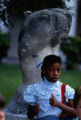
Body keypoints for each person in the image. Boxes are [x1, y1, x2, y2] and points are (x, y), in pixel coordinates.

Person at [24, 54, 77, 120]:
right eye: (51, 70)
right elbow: (30, 116)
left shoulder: (66, 89)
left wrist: (59, 104)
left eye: (58, 70)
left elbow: (76, 113)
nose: (56, 73)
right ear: (43, 70)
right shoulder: (35, 89)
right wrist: (33, 111)